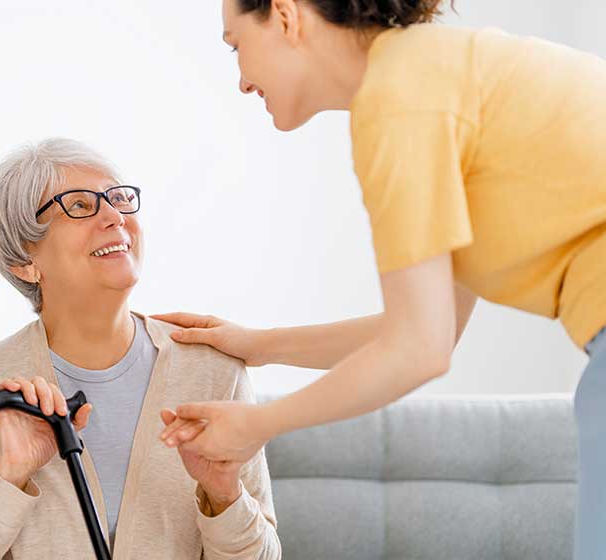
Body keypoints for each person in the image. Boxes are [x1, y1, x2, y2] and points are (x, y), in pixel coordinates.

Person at [156, 1, 606, 558]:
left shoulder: (401, 101)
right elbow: (427, 332)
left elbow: (418, 349)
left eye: (235, 45)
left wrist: (257, 425)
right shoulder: (434, 75)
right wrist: (259, 346)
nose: (242, 80)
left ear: (285, 15)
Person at [0, 138, 280, 559]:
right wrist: (8, 477)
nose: (115, 216)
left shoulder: (213, 372)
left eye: (118, 199)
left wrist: (224, 497)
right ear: (25, 261)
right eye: (79, 206)